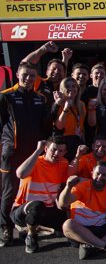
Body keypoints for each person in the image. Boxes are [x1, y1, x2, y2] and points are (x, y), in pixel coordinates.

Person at [0, 62, 53, 247]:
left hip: (34, 153)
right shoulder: (6, 97)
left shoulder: (40, 99)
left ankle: (29, 224)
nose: (28, 79)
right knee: (9, 192)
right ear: (17, 74)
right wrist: (6, 144)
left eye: (32, 76)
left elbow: (46, 125)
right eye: (25, 75)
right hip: (13, 152)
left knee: (31, 191)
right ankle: (5, 229)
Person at [59, 162, 106, 260]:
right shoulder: (81, 186)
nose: (100, 177)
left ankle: (94, 247)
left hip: (102, 228)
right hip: (81, 230)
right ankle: (105, 246)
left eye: (104, 175)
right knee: (67, 225)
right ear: (92, 174)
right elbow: (62, 204)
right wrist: (68, 187)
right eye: (97, 174)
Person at [9, 137, 71, 253]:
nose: (57, 153)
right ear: (46, 149)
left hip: (47, 209)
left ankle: (32, 228)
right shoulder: (35, 161)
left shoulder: (63, 163)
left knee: (64, 229)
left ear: (65, 152)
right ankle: (31, 235)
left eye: (61, 151)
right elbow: (20, 174)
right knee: (37, 207)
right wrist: (38, 150)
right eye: (54, 149)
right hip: (23, 210)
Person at [52, 77, 86, 160]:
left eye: (74, 86)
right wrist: (66, 108)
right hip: (64, 142)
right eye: (67, 86)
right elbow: (59, 126)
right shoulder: (60, 104)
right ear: (62, 89)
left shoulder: (81, 104)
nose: (71, 88)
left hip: (78, 140)